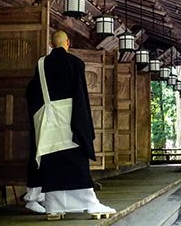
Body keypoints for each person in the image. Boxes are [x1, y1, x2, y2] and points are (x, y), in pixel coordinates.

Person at [24, 30, 115, 219]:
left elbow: (32, 91)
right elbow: (80, 95)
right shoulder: (75, 63)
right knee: (76, 161)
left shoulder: (41, 64)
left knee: (53, 162)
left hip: (48, 123)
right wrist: (84, 125)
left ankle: (54, 207)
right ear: (68, 43)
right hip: (70, 120)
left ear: (51, 43)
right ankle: (90, 204)